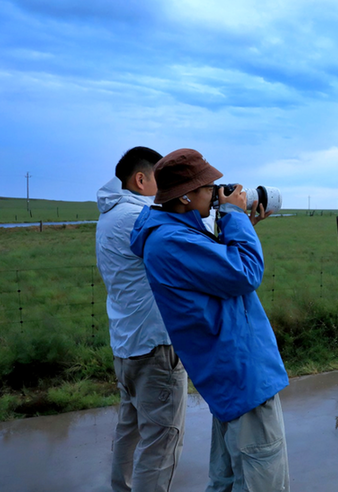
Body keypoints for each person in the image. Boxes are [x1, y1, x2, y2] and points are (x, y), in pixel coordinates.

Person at [130, 148, 290, 492]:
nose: (217, 193)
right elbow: (245, 273)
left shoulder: (172, 233)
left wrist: (241, 222)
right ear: (185, 196)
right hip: (241, 373)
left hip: (231, 373)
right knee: (261, 478)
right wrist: (235, 216)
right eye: (209, 187)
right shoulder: (171, 241)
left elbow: (215, 270)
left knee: (229, 479)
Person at [96, 147, 188, 492]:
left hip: (126, 344)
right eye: (161, 181)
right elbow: (192, 245)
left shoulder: (109, 215)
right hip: (154, 347)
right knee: (160, 443)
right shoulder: (138, 217)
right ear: (141, 179)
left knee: (130, 430)